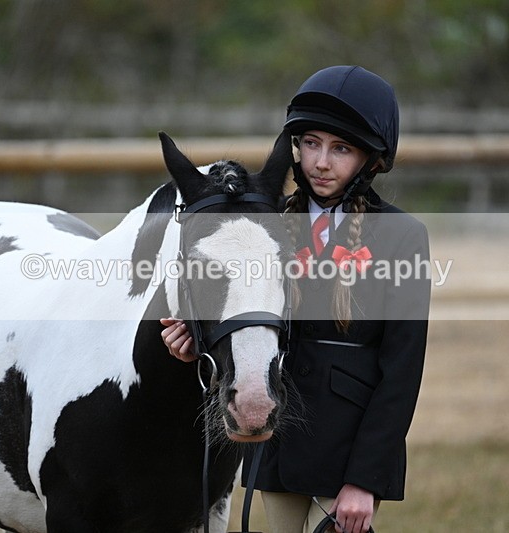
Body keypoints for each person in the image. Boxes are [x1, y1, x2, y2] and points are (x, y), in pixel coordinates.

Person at [161, 65, 430, 533]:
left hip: (348, 456)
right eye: (311, 144)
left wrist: (365, 480)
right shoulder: (265, 226)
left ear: (372, 159)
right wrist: (195, 336)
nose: (321, 162)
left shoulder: (403, 237)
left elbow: (402, 373)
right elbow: (241, 318)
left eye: (341, 148)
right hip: (280, 443)